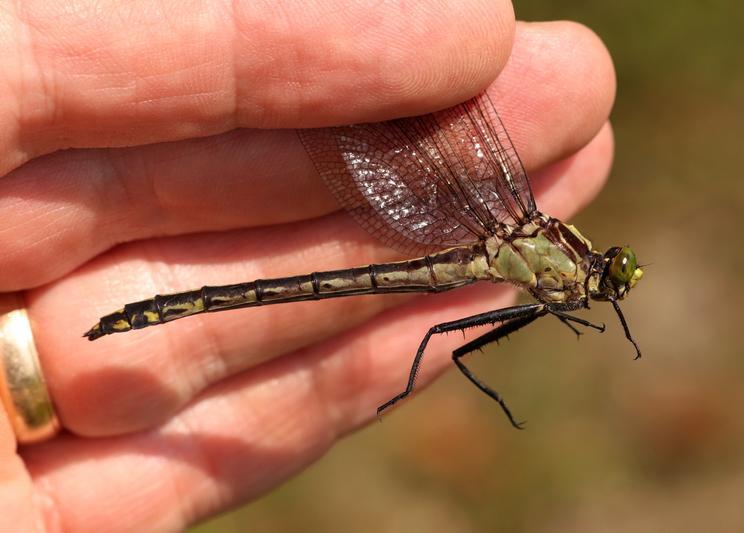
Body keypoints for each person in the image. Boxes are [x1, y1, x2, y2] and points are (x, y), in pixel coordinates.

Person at [0, 1, 616, 530]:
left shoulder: (560, 269)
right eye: (610, 275)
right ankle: (145, 314)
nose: (604, 283)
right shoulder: (553, 253)